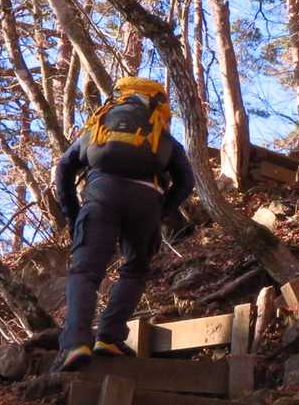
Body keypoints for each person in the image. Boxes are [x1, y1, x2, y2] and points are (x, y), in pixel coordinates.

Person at [53, 76, 195, 372]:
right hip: (147, 200)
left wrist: (73, 214)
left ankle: (76, 343)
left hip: (101, 194)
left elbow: (65, 166)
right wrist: (162, 211)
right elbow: (186, 181)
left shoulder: (99, 128)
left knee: (85, 271)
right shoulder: (160, 133)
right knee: (135, 270)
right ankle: (109, 338)